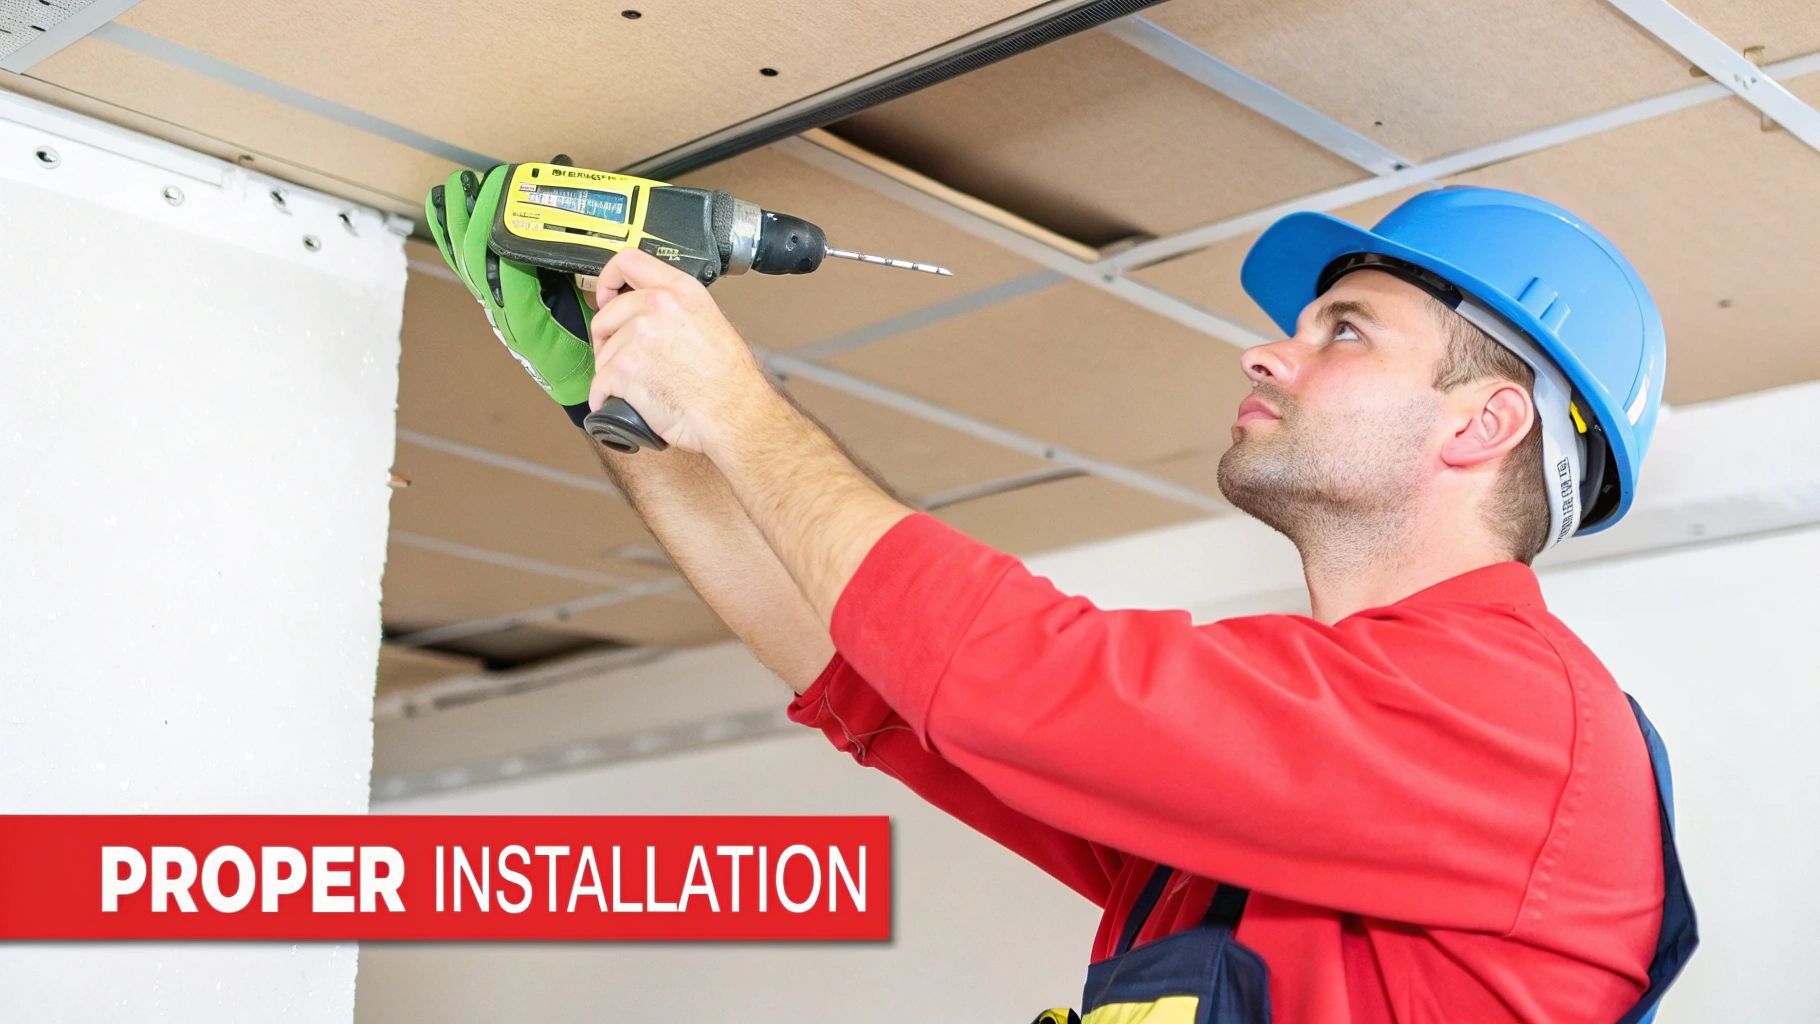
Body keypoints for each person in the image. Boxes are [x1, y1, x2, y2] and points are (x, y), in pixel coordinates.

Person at [427, 175, 1695, 1022]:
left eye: (1344, 330)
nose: (1267, 347)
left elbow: (1007, 677)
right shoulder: (1313, 760)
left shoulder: (1515, 725)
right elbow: (882, 681)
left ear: (1486, 421)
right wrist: (631, 411)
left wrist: (734, 401)